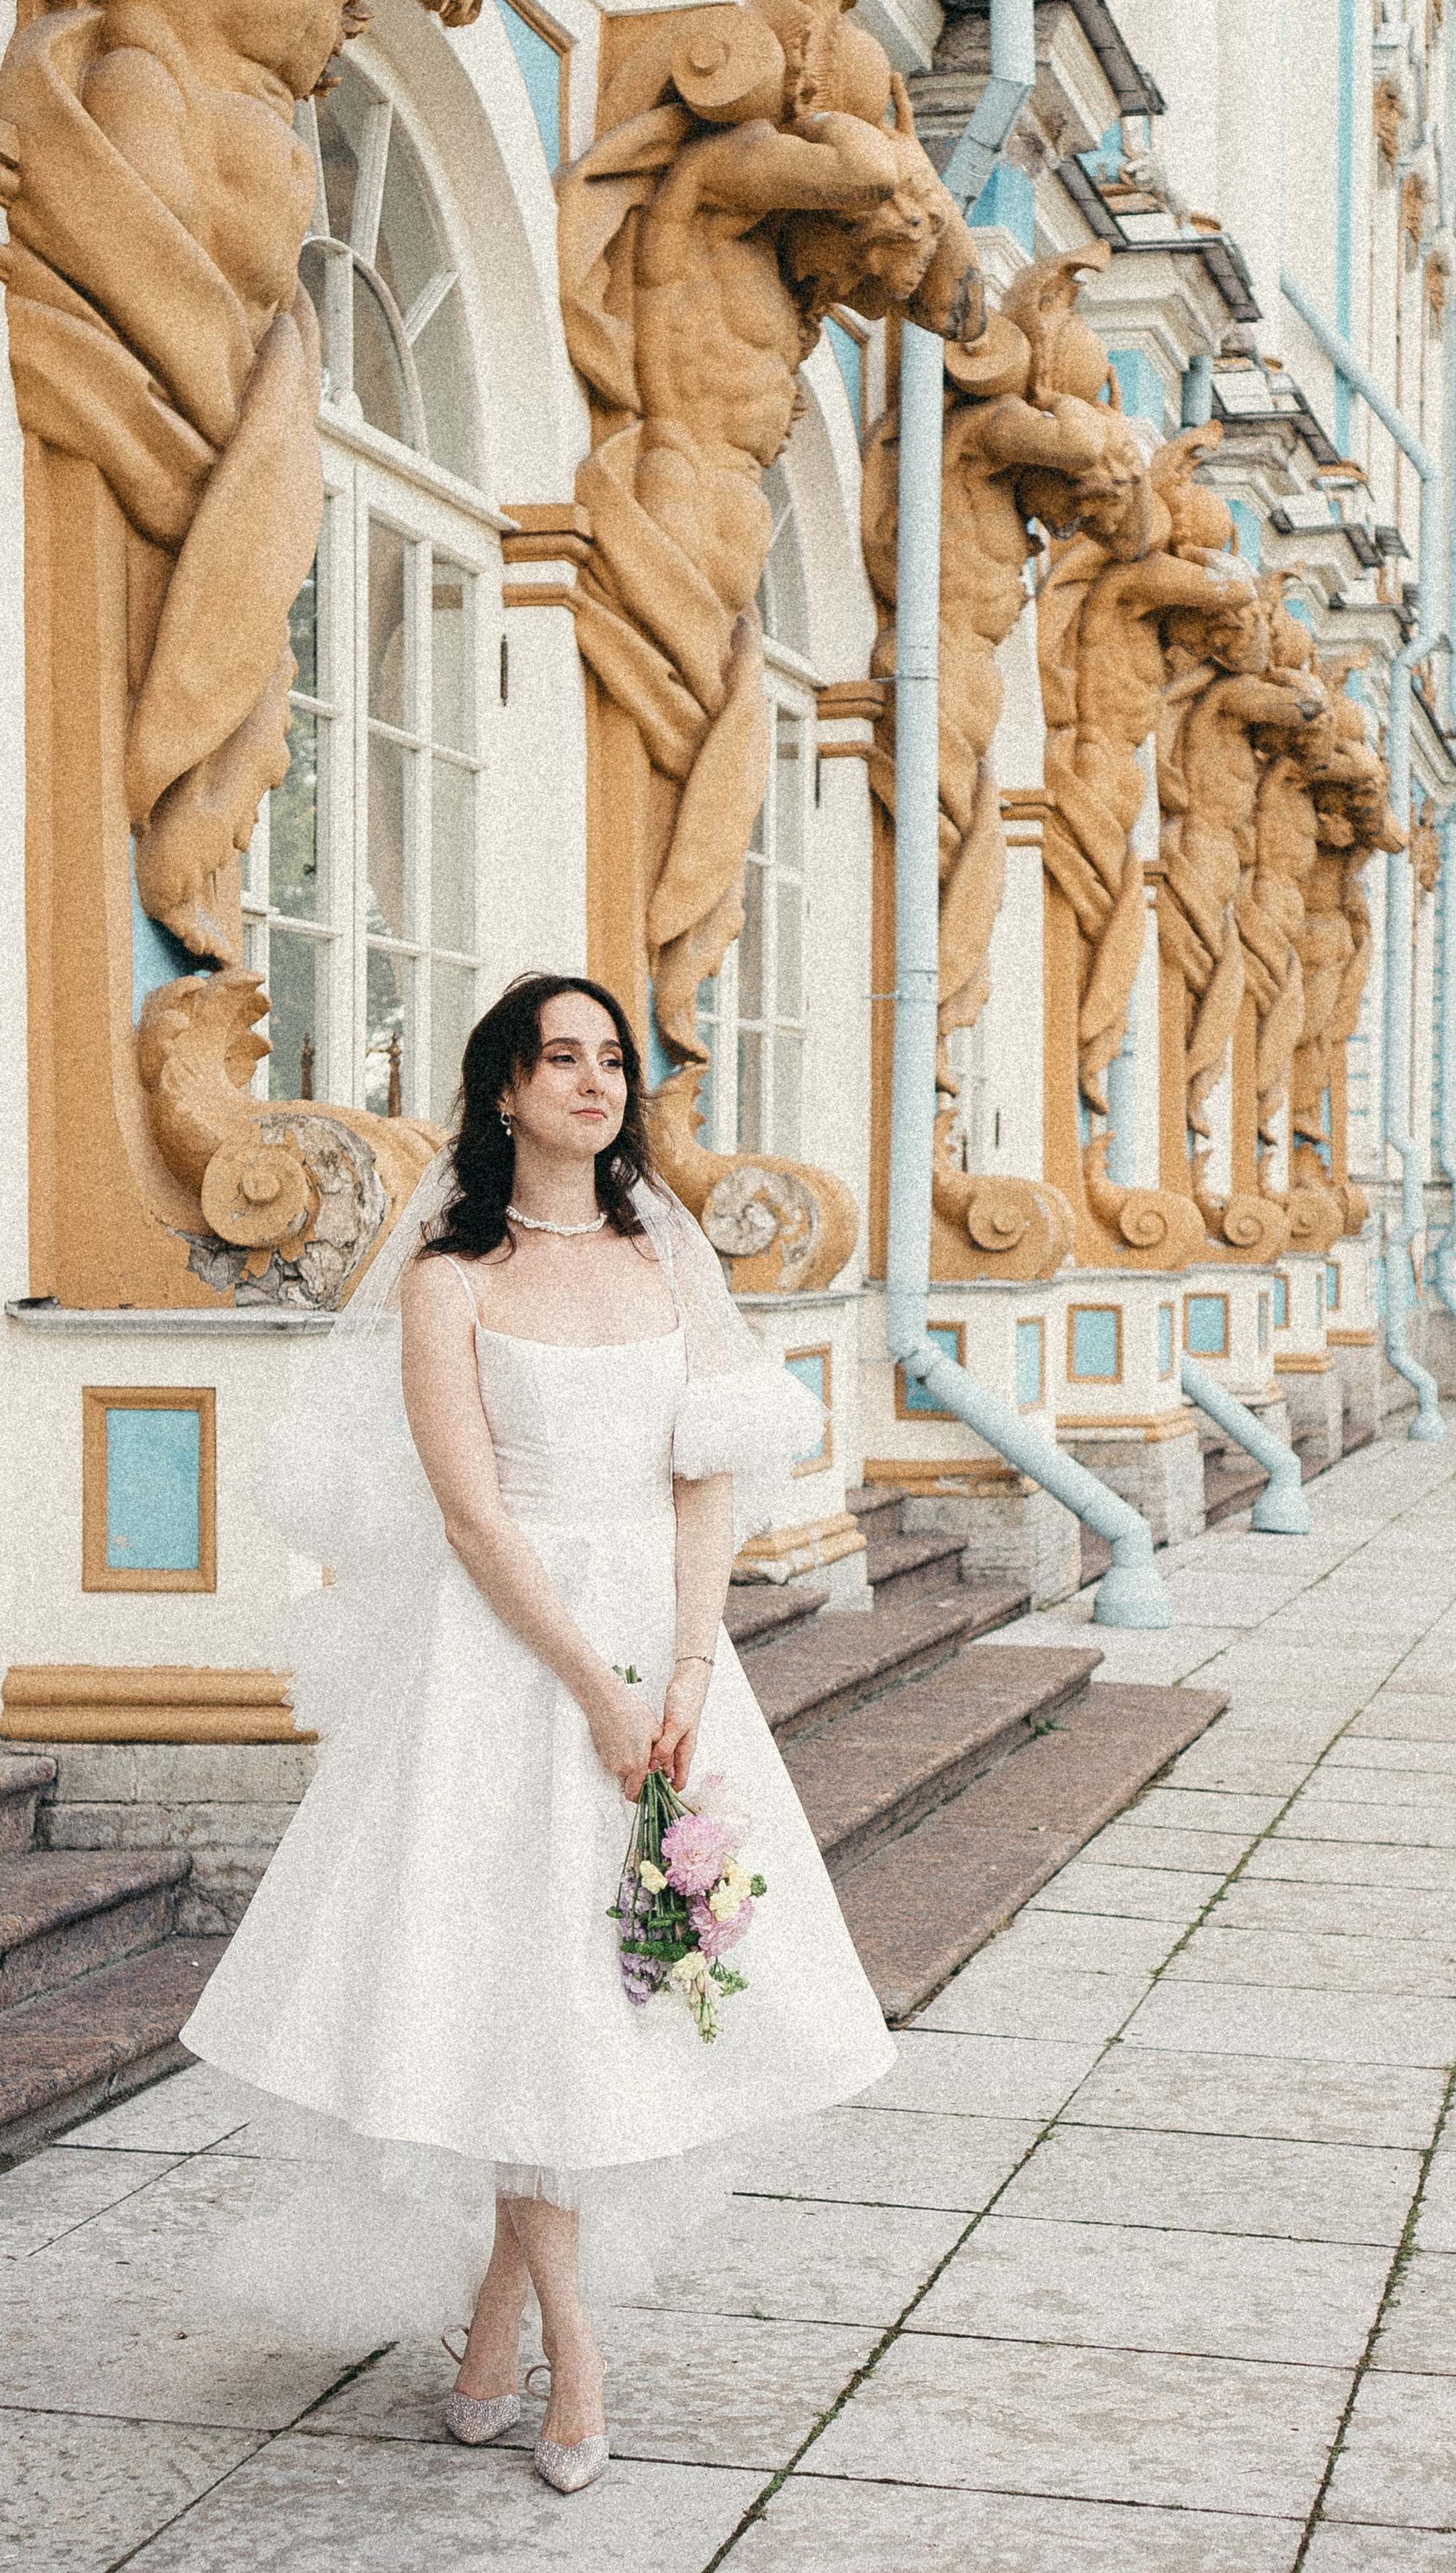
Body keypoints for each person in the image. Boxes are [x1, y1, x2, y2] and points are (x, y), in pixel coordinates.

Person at [181, 972, 896, 2495]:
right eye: (557, 1058)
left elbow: (706, 1470)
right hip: (504, 1665)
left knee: (588, 2002)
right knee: (519, 1996)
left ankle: (493, 2329)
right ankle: (575, 2362)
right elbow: (469, 1512)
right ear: (502, 1090)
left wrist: (687, 1673)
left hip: (664, 1643)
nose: (592, 1080)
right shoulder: (452, 1272)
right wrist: (596, 1689)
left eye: (610, 1058)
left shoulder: (662, 1253)